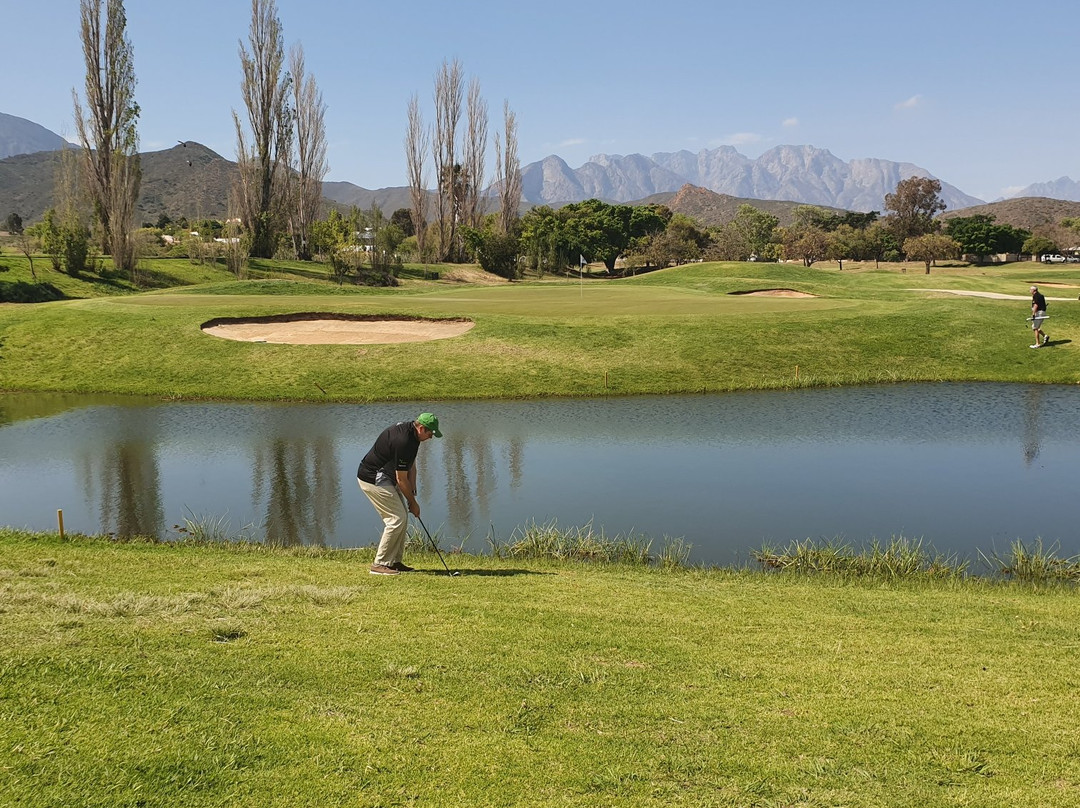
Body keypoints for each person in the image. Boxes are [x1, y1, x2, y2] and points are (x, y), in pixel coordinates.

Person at [357, 413, 442, 575]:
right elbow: (401, 479)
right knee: (396, 519)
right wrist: (413, 503)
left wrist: (413, 488)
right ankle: (379, 564)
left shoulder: (413, 435)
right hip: (373, 478)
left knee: (401, 516)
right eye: (430, 433)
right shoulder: (404, 441)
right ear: (421, 428)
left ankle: (394, 562)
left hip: (386, 477)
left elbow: (411, 463)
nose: (431, 437)